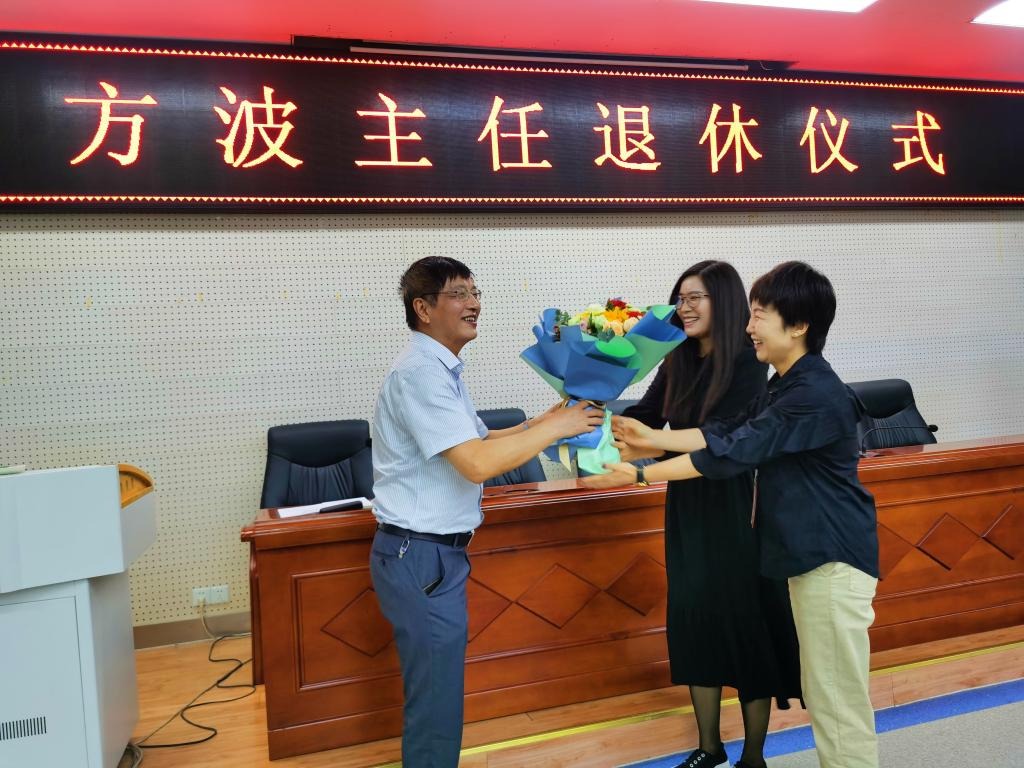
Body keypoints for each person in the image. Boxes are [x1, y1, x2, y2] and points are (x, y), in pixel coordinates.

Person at [585, 261, 880, 768]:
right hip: (810, 558)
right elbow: (724, 433)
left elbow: (732, 451)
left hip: (830, 558)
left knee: (836, 701)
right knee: (827, 694)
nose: (750, 325)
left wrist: (640, 474)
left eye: (759, 314)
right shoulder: (785, 385)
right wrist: (645, 436)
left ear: (798, 325)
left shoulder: (810, 393)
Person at [370, 256, 604, 768]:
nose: (474, 304)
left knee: (439, 696)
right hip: (420, 556)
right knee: (435, 704)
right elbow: (476, 463)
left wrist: (541, 421)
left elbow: (482, 438)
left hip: (431, 557)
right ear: (423, 308)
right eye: (458, 294)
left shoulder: (441, 367)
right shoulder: (420, 373)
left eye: (476, 293)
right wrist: (558, 428)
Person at [617, 260, 801, 768]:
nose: (685, 307)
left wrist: (648, 446)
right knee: (693, 617)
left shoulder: (747, 358)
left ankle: (754, 755)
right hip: (688, 502)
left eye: (695, 297)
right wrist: (598, 410)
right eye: (680, 298)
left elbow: (725, 438)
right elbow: (648, 417)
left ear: (725, 301)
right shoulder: (676, 356)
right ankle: (709, 746)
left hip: (738, 499)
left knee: (746, 620)